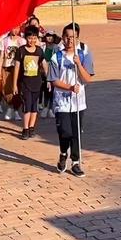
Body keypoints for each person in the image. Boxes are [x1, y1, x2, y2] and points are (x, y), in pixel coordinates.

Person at [48, 23, 94, 178]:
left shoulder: (84, 54)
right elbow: (53, 80)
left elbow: (88, 78)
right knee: (65, 131)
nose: (70, 40)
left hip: (78, 102)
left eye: (73, 37)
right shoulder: (56, 56)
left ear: (78, 38)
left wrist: (79, 64)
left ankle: (75, 162)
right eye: (67, 37)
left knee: (76, 133)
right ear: (63, 37)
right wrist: (69, 87)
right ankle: (63, 153)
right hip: (61, 101)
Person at [13, 25, 47, 140]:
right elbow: (17, 68)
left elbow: (44, 65)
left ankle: (32, 127)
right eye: (29, 38)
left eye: (34, 38)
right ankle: (25, 128)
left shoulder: (39, 51)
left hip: (37, 83)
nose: (32, 40)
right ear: (25, 37)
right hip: (25, 83)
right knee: (27, 106)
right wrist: (14, 84)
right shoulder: (21, 50)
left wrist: (49, 79)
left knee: (34, 106)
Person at [0, 27, 25, 121]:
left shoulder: (22, 41)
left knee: (17, 89)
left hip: (18, 68)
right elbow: (2, 55)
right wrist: (0, 69)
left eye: (17, 28)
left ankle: (16, 110)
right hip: (7, 67)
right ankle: (10, 107)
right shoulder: (4, 41)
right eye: (13, 28)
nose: (15, 30)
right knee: (7, 89)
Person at [40, 31, 60, 118]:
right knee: (45, 90)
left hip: (53, 72)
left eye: (51, 36)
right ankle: (45, 107)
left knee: (52, 91)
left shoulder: (57, 48)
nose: (49, 38)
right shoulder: (42, 47)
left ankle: (51, 109)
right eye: (48, 36)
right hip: (43, 72)